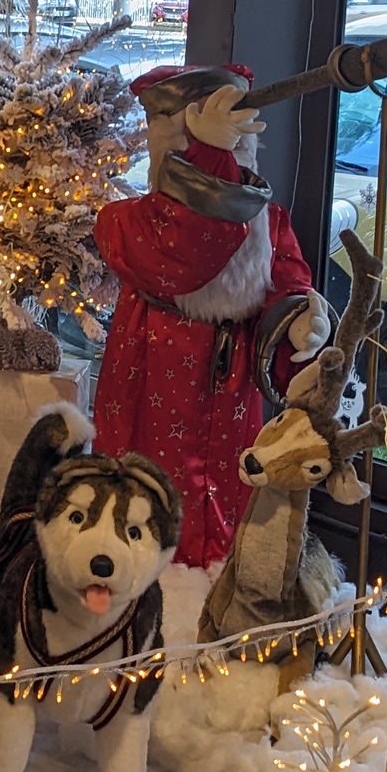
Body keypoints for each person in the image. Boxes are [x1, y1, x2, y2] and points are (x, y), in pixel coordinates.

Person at [92, 65, 332, 568]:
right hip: (154, 372)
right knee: (149, 511)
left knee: (232, 497)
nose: (232, 156)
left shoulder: (270, 220)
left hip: (232, 382)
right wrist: (207, 159)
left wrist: (297, 322)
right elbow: (187, 246)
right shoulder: (125, 222)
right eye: (213, 145)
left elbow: (286, 280)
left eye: (235, 146)